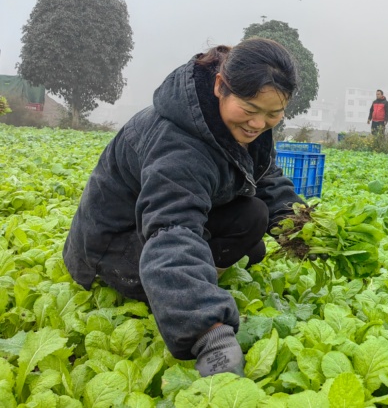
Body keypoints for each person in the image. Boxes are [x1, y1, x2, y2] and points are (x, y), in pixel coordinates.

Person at [62, 38, 304, 377]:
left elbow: (264, 175)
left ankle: (189, 282)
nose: (258, 124)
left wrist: (299, 224)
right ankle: (182, 292)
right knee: (208, 242)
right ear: (220, 86)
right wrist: (207, 329)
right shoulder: (178, 143)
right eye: (249, 110)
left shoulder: (244, 124)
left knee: (254, 221)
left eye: (273, 114)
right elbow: (172, 229)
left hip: (150, 227)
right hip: (111, 247)